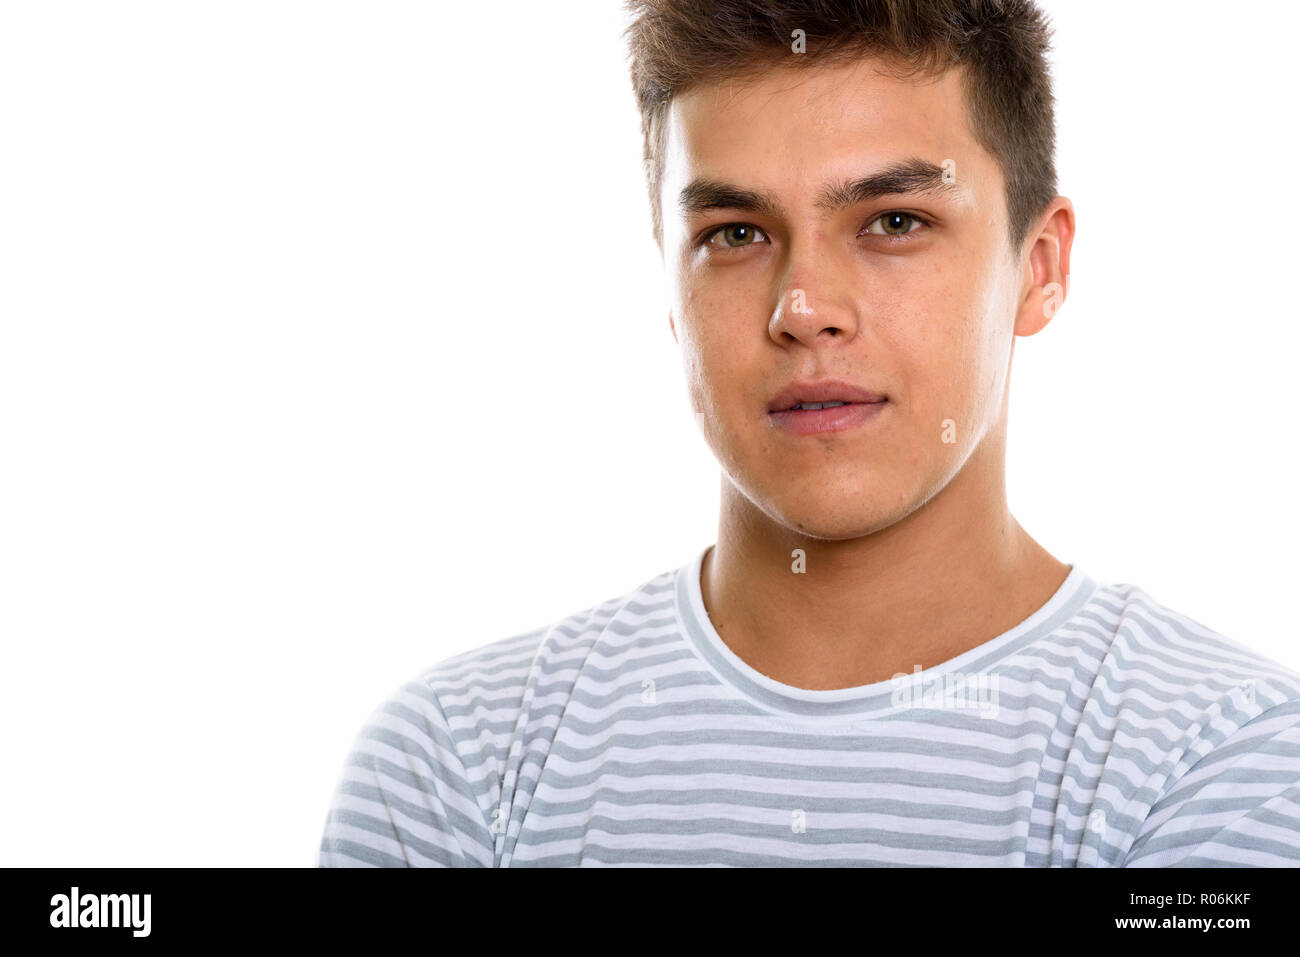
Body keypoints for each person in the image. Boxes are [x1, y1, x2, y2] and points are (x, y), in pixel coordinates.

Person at [318, 0, 1300, 866]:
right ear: (670, 281)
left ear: (1039, 266)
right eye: (735, 235)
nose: (803, 308)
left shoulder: (1219, 758)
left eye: (892, 221)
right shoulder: (453, 769)